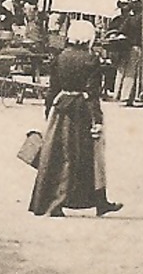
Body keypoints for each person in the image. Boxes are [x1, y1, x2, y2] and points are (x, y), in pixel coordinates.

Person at [28, 19, 122, 218]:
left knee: (58, 155)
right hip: (81, 109)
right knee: (88, 156)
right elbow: (93, 92)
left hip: (60, 108)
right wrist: (97, 119)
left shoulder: (60, 57)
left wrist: (48, 112)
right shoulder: (91, 59)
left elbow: (52, 89)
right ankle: (97, 201)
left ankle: (56, 201)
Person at [112, 0, 143, 107]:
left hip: (126, 47)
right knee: (136, 73)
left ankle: (122, 95)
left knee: (125, 72)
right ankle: (136, 97)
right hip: (137, 47)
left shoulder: (129, 19)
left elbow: (120, 32)